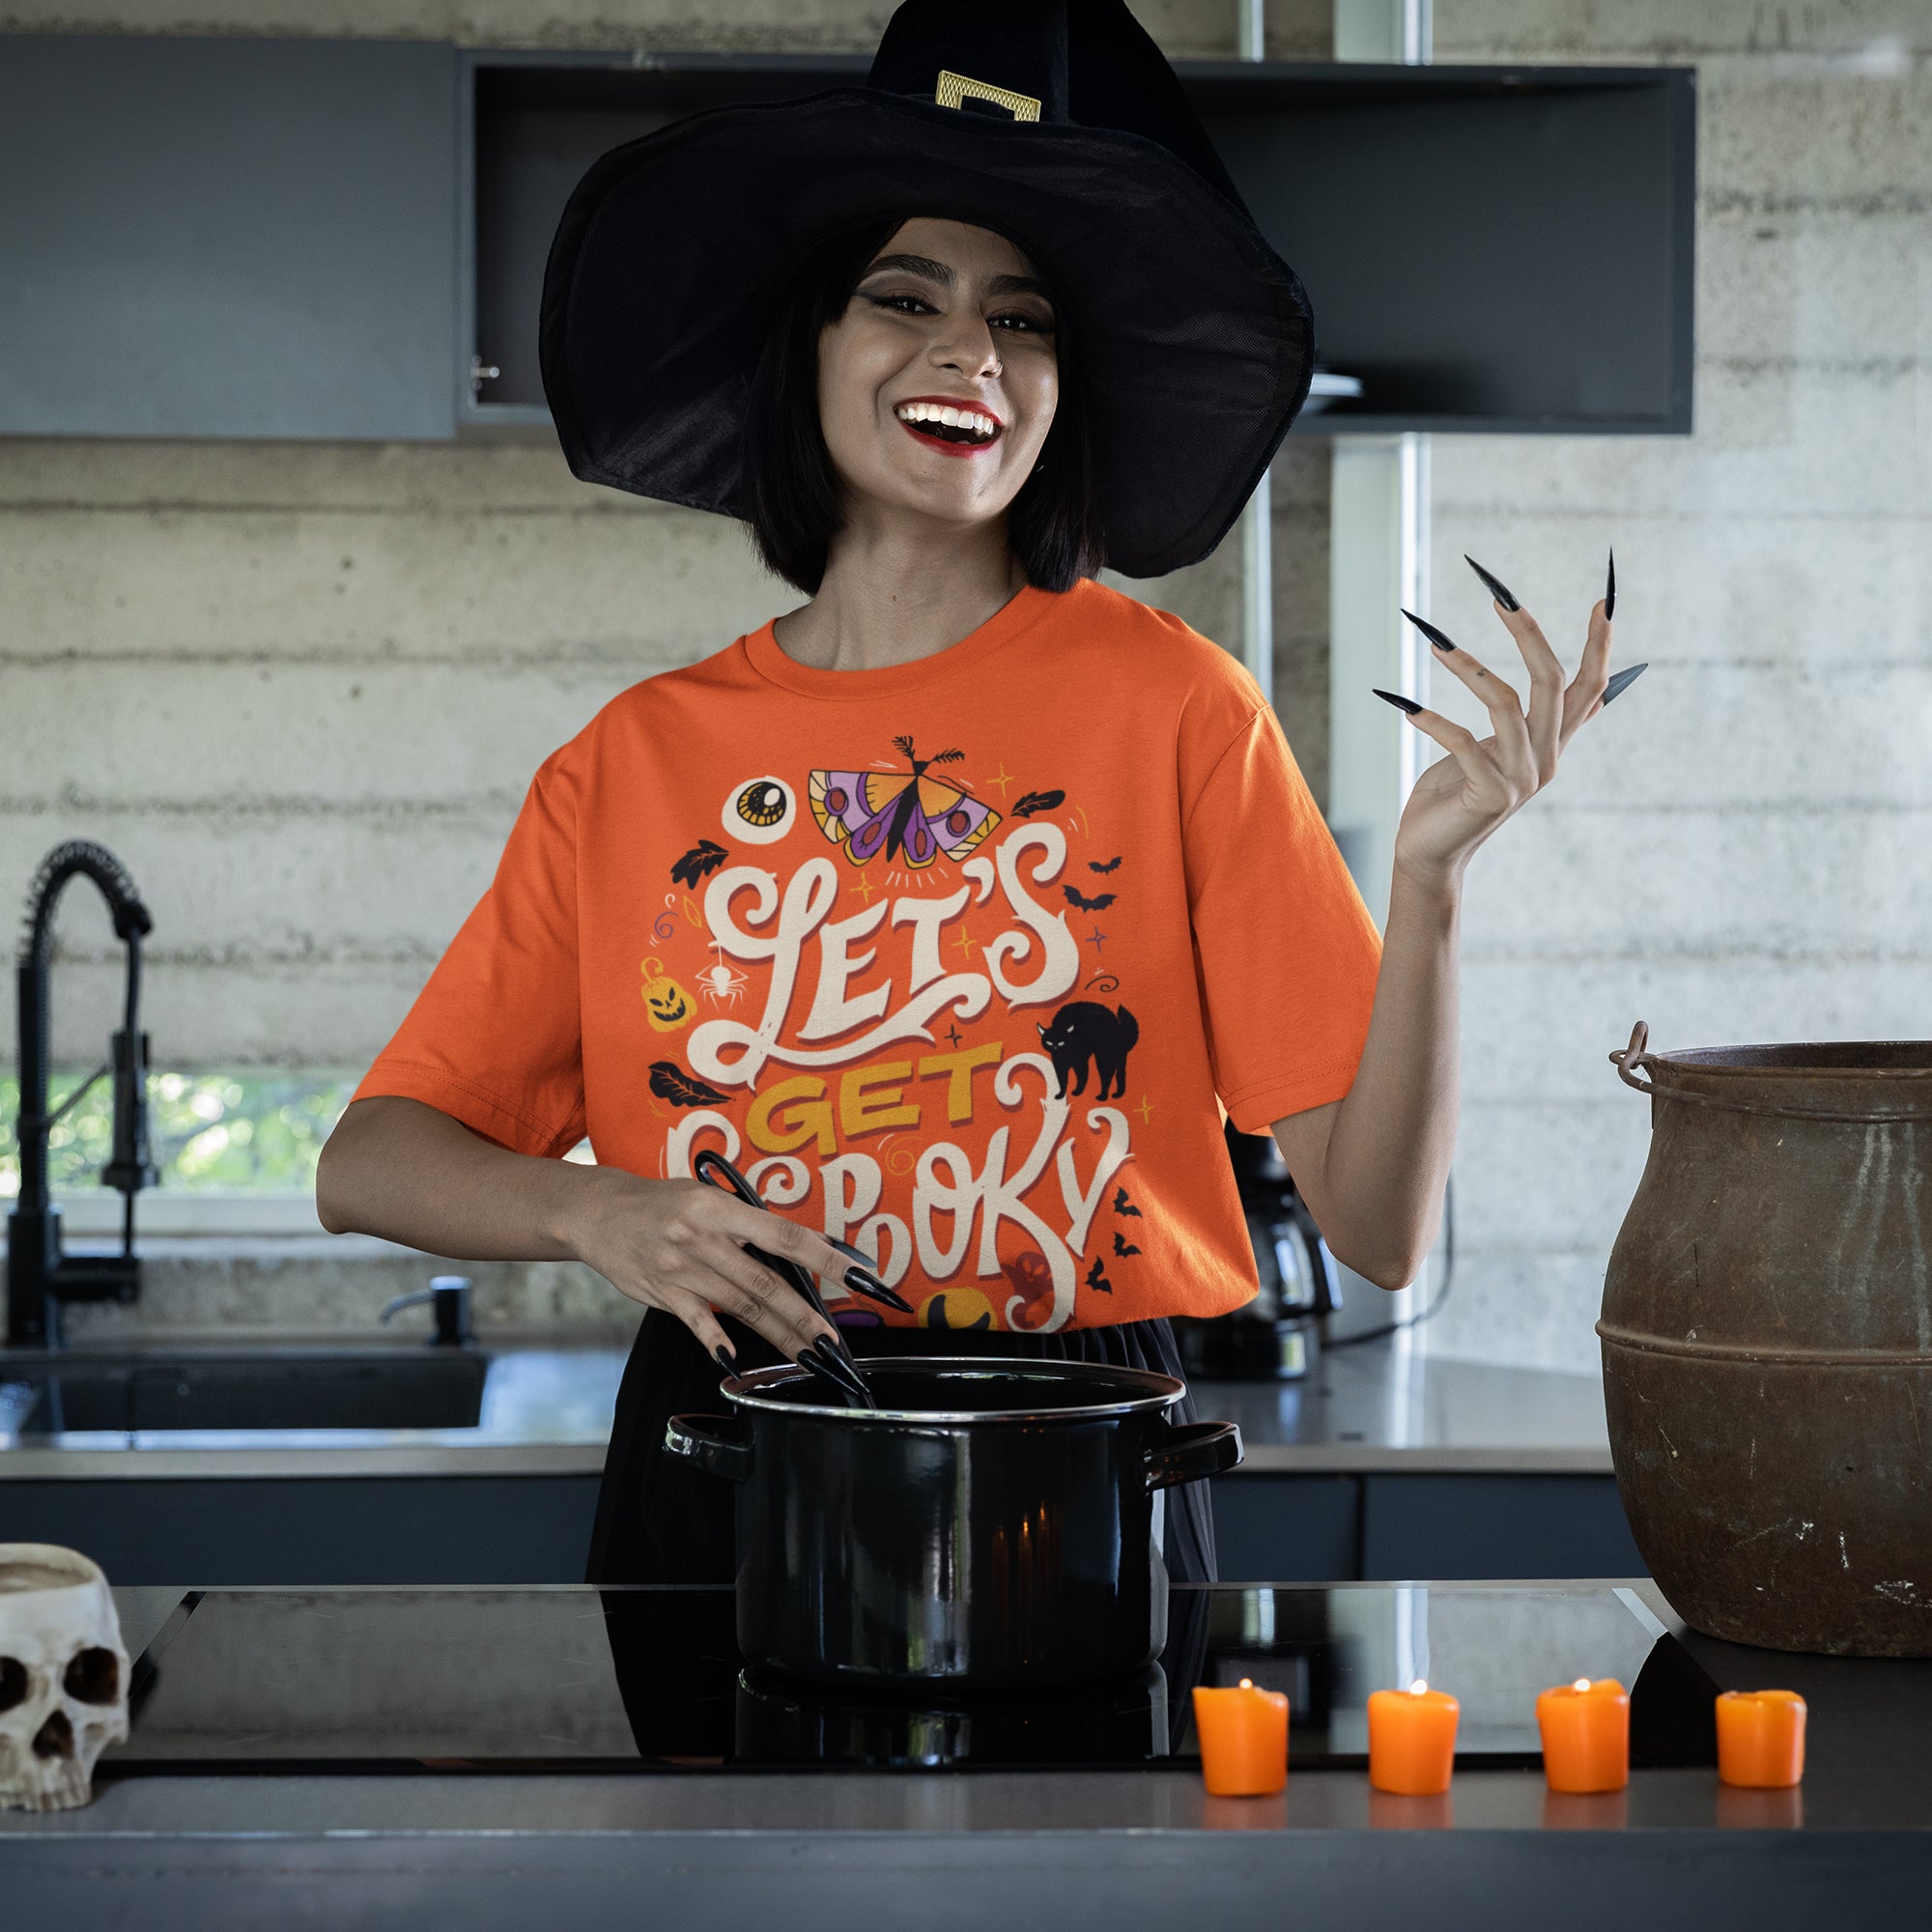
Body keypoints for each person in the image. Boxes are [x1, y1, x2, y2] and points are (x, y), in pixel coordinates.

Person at [316, 0, 1629, 1586]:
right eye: (906, 296)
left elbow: (1378, 1228)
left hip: (1083, 1455)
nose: (971, 354)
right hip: (732, 1448)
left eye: (1026, 318)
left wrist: (1429, 887)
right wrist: (599, 1213)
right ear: (808, 342)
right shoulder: (632, 761)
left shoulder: (1177, 709)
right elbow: (370, 1156)